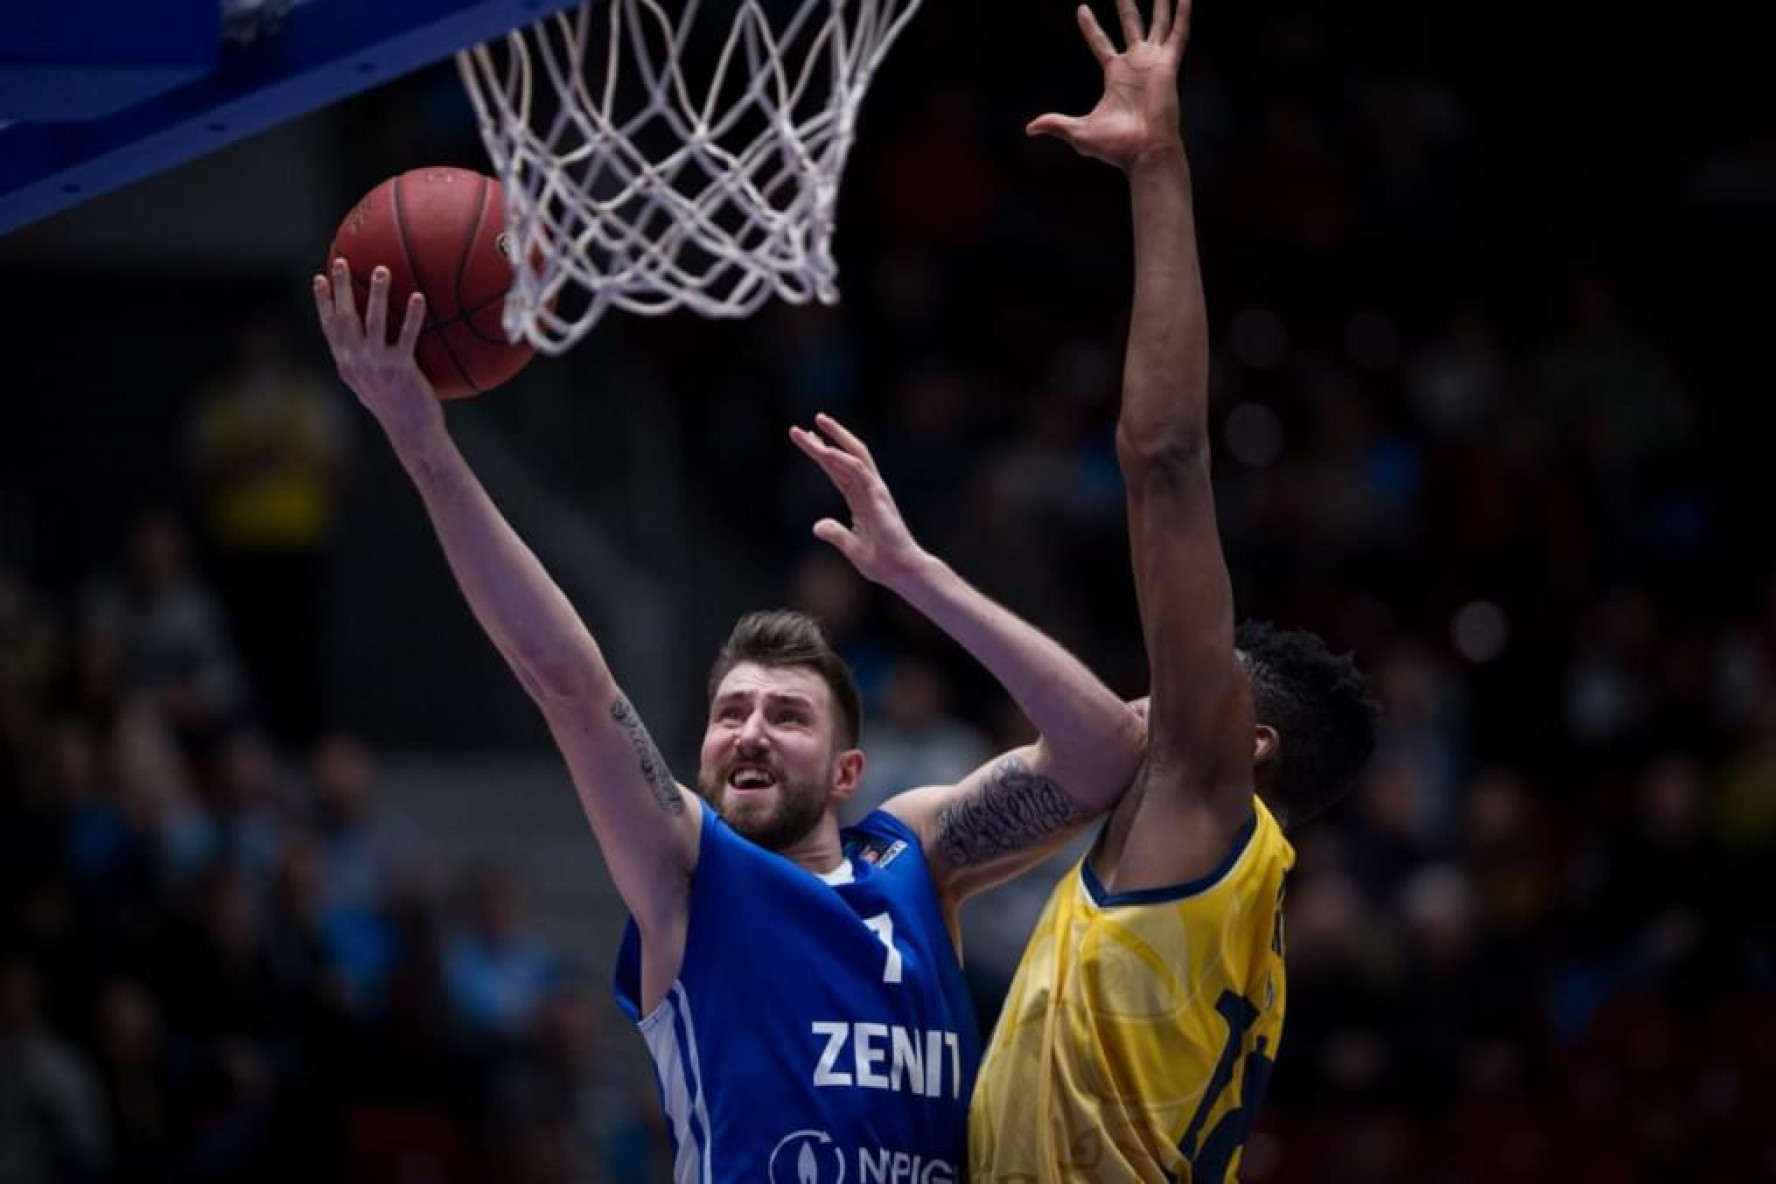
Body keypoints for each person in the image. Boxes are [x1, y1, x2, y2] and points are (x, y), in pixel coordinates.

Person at [311, 267, 1144, 1182]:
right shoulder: (690, 870)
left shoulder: (915, 856)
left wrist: (915, 574)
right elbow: (569, 684)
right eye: (730, 713)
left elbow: (1106, 749)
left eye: (786, 715)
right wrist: (424, 445)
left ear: (847, 771)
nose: (749, 731)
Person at [967, 3, 1379, 1180]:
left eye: (1199, 684)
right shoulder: (1235, 916)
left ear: (1250, 742)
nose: (1162, 686)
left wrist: (1157, 166)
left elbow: (1165, 458)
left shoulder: (1206, 790)